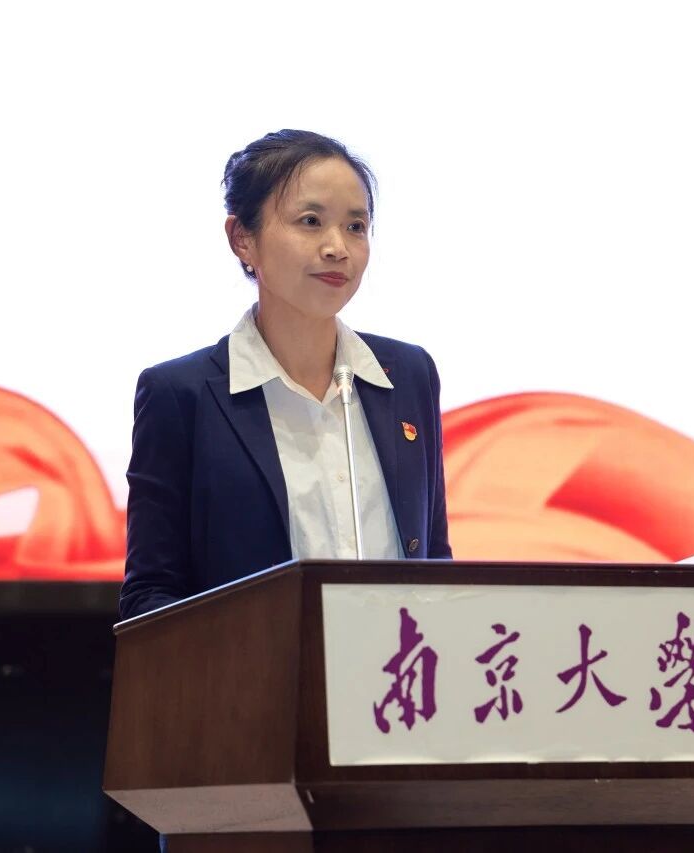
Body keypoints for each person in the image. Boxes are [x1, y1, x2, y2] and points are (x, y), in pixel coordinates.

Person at [119, 130, 451, 621]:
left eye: (356, 226)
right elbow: (151, 594)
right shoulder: (180, 395)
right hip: (253, 670)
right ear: (242, 239)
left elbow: (436, 564)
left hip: (396, 667)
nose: (338, 247)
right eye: (311, 221)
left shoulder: (408, 375)